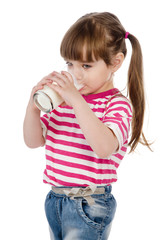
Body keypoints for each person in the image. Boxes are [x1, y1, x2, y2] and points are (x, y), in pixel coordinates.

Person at [23, 12, 151, 240]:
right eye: (70, 63)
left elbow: (104, 147)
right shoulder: (63, 102)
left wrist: (76, 101)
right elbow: (33, 141)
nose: (75, 73)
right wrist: (32, 108)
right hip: (55, 199)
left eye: (86, 65)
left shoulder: (116, 105)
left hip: (89, 204)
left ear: (115, 63)